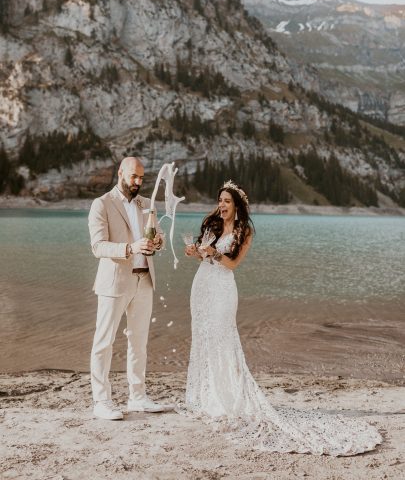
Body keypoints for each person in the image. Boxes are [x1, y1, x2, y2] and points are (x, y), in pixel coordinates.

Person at [184, 180, 382, 455]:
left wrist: (214, 252)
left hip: (223, 290)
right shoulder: (212, 224)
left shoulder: (245, 231)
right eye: (220, 201)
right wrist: (196, 252)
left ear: (237, 205)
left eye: (227, 202)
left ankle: (227, 397)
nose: (222, 205)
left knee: (223, 338)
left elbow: (232, 264)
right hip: (202, 286)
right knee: (204, 337)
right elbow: (203, 257)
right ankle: (209, 397)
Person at [88, 156, 168, 420]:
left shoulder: (147, 204)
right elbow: (98, 246)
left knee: (139, 342)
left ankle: (137, 397)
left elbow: (156, 241)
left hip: (144, 280)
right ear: (120, 172)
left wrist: (157, 244)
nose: (137, 182)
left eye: (141, 178)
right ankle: (101, 401)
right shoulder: (102, 204)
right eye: (133, 176)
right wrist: (131, 248)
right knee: (104, 342)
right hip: (114, 283)